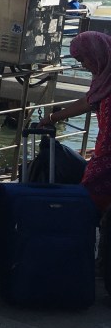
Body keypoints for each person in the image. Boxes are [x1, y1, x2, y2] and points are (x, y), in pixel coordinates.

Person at [41, 30, 111, 213]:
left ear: (96, 54)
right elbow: (89, 101)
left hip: (107, 156)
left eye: (83, 60)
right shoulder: (105, 80)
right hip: (104, 152)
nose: (83, 66)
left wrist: (97, 163)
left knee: (89, 196)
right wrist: (52, 117)